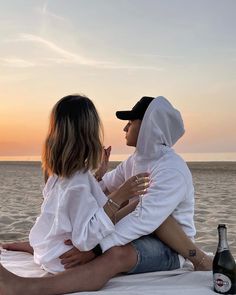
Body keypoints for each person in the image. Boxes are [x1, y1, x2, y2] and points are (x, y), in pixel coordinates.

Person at [0, 96, 212, 295]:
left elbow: (145, 219)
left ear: (149, 126)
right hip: (139, 231)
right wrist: (98, 175)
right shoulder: (136, 160)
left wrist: (97, 249)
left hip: (169, 246)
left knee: (117, 253)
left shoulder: (170, 169)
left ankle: (28, 287)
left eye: (131, 121)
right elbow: (101, 190)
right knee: (123, 205)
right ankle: (43, 244)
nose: (125, 127)